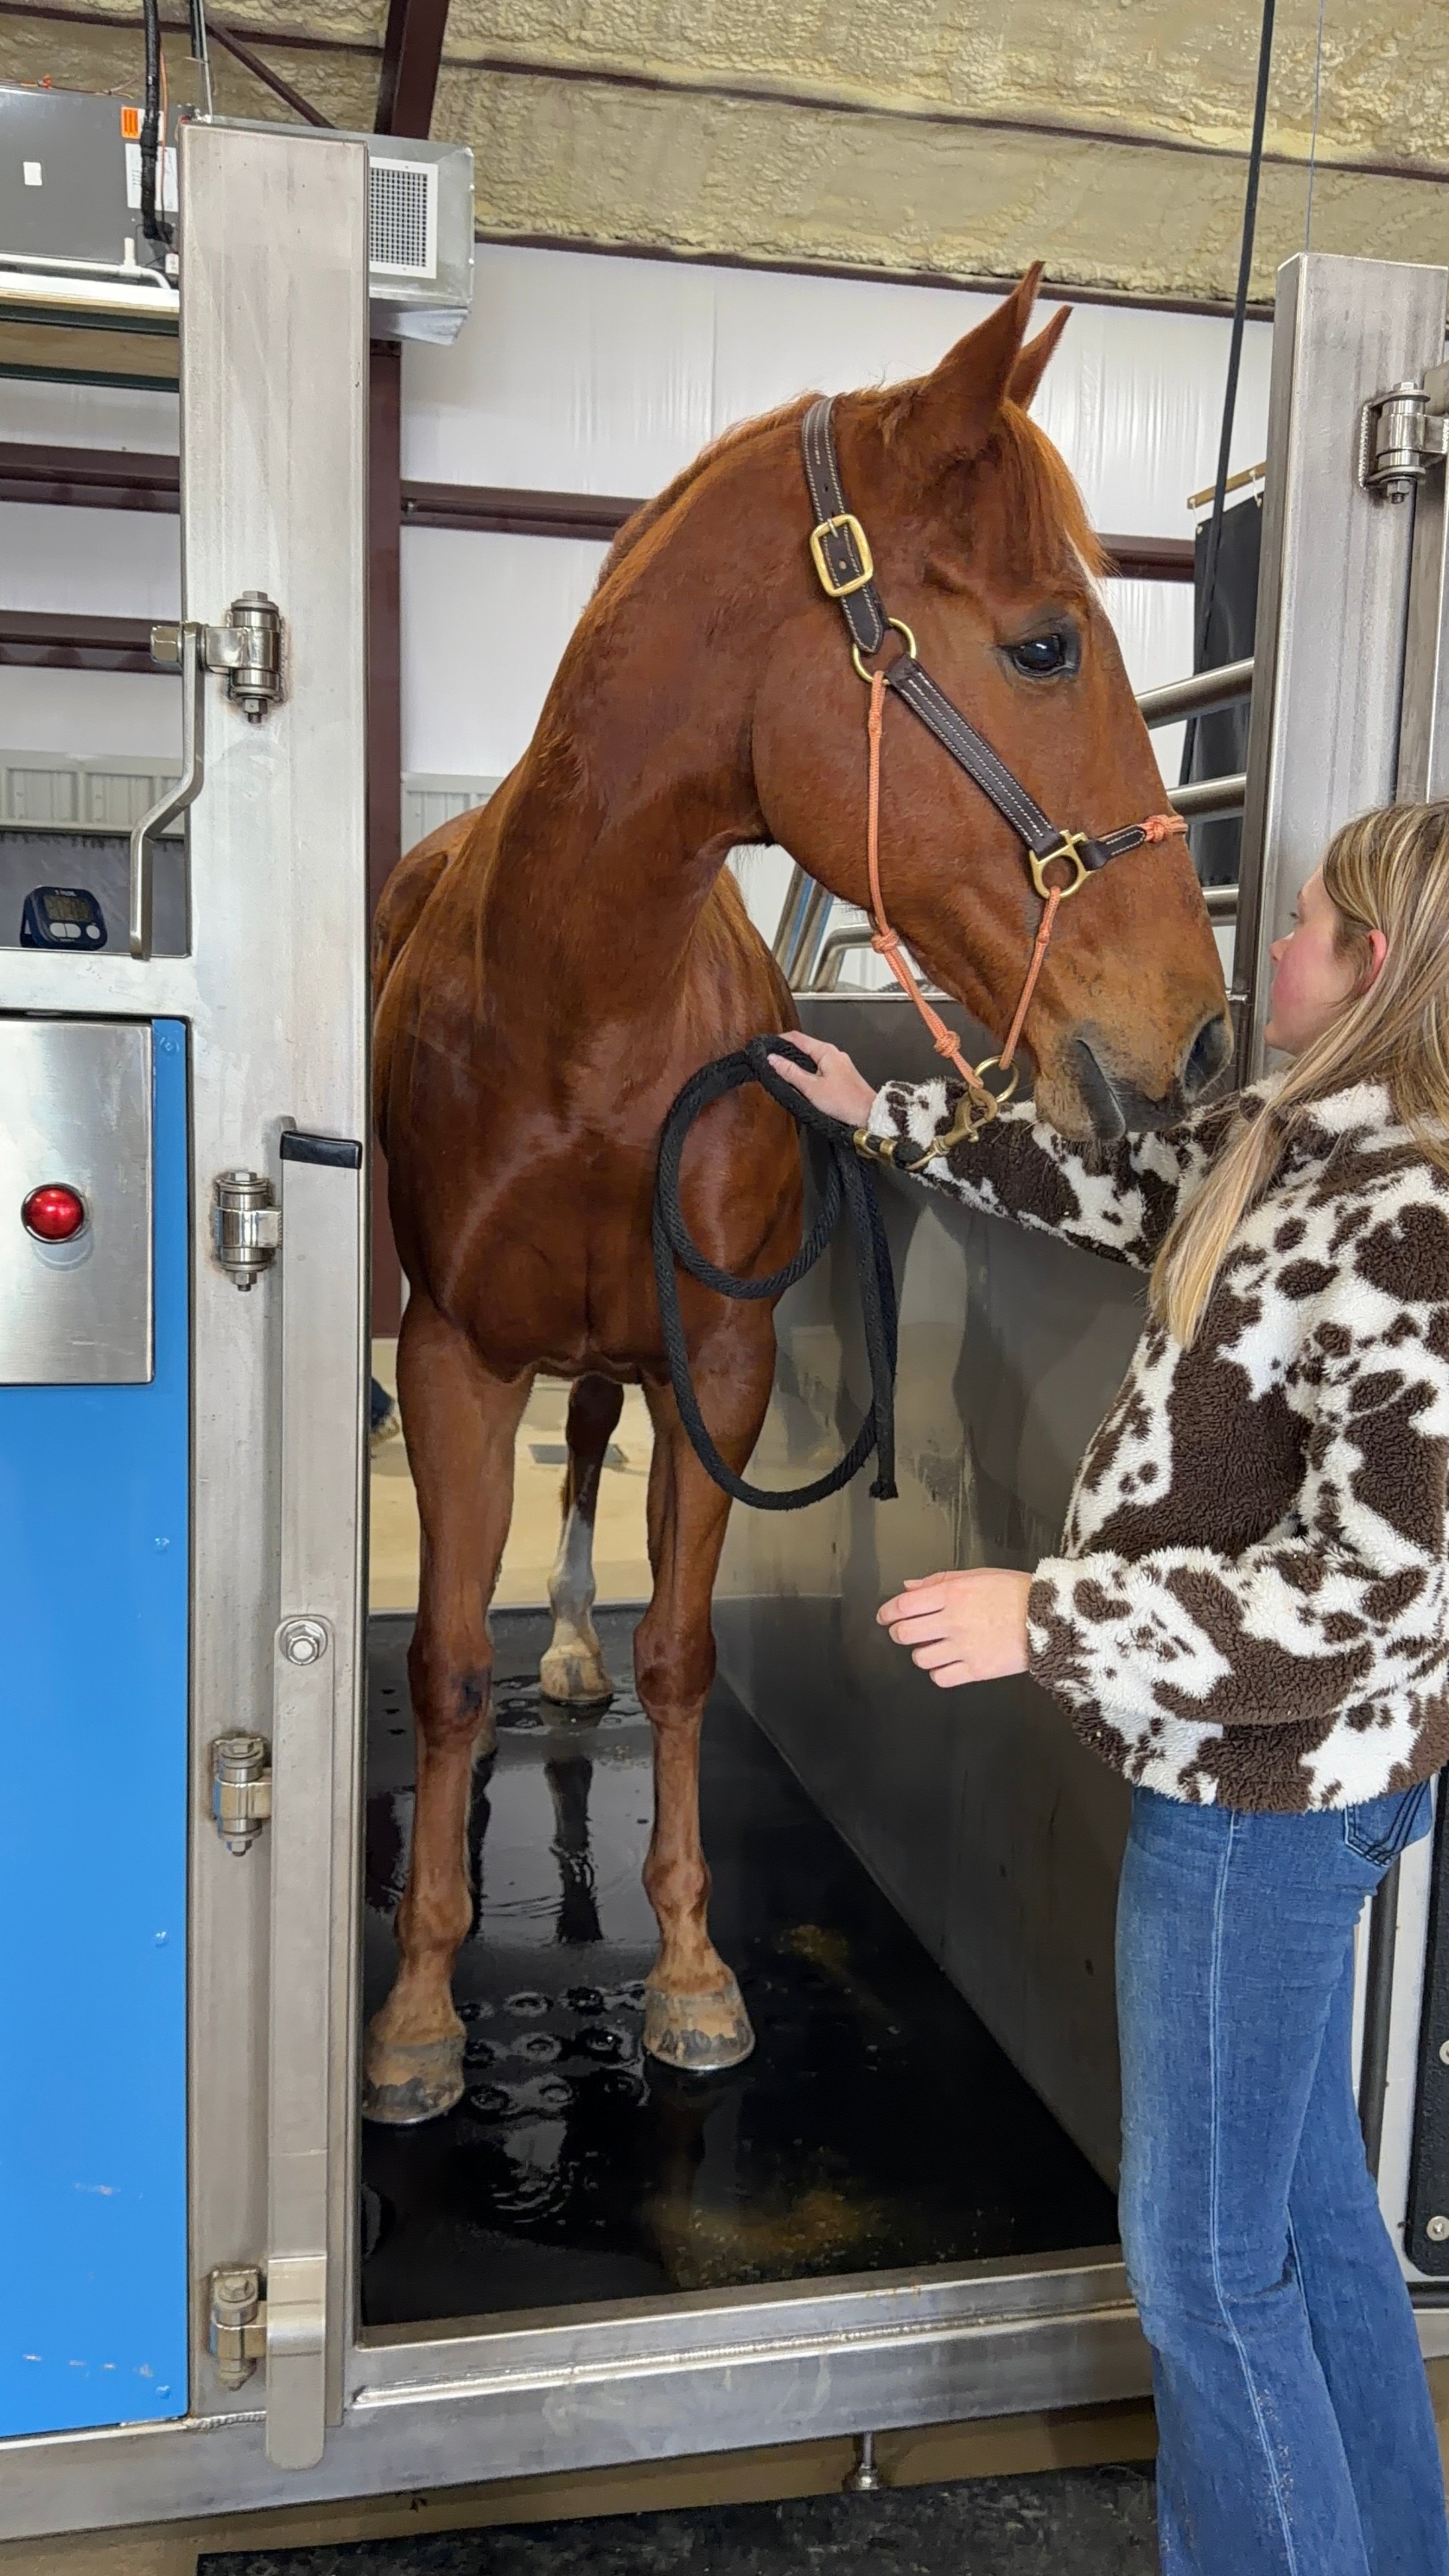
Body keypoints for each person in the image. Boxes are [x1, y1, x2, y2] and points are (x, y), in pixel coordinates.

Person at [770, 800, 1449, 2576]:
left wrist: (1054, 1616)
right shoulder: (1290, 1150)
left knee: (1206, 2272)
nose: (1266, 948)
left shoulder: (1412, 1223)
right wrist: (887, 1118)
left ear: (1371, 968)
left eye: (1296, 923)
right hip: (1264, 1779)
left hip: (1265, 1797)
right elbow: (1124, 1194)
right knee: (1304, 2214)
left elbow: (1383, 1592)